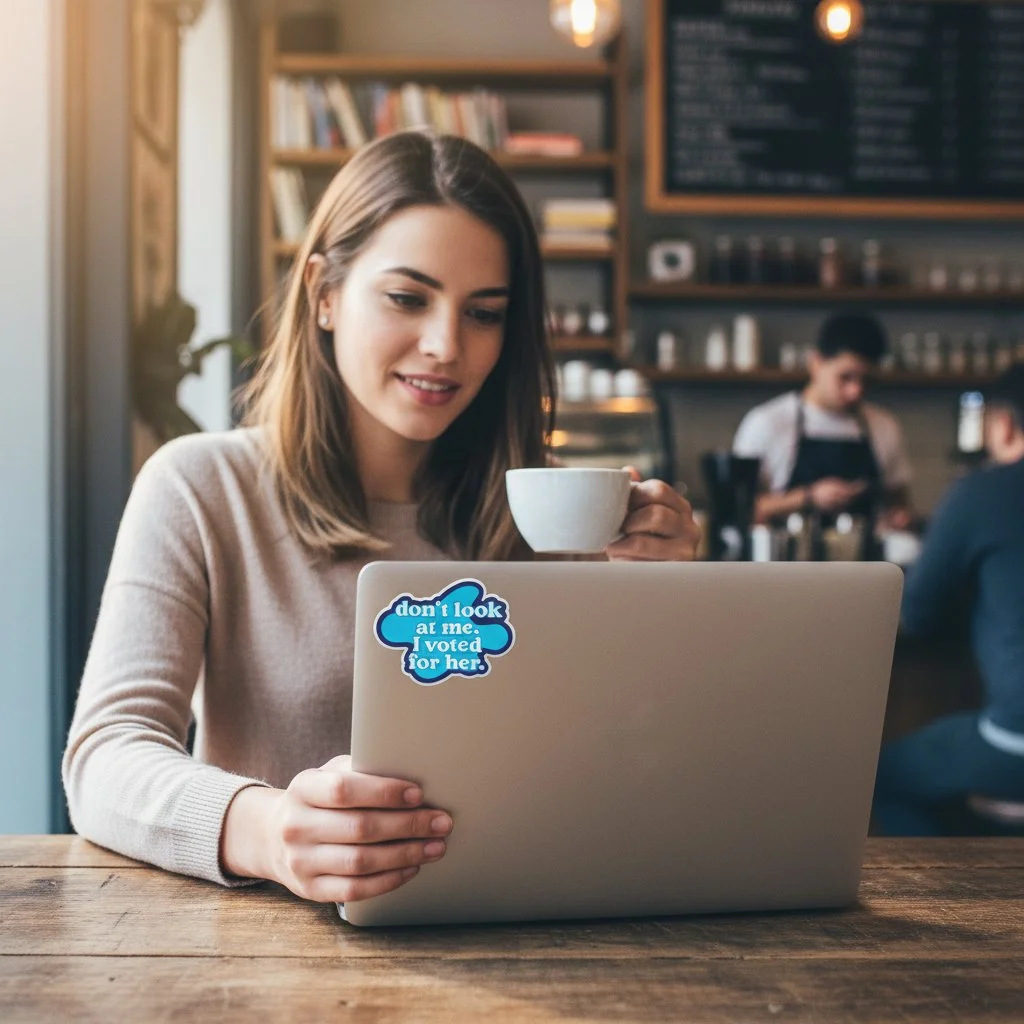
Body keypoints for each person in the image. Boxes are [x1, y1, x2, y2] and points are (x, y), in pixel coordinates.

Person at [62, 132, 700, 905]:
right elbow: (104, 757)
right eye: (407, 298)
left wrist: (665, 611)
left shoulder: (559, 519)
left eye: (485, 313)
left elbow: (637, 771)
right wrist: (266, 831)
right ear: (323, 293)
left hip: (531, 937)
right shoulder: (202, 488)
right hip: (265, 956)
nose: (445, 346)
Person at [873, 363, 1024, 835]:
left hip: (1014, 742)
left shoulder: (981, 491)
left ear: (1002, 424)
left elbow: (918, 612)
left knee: (877, 778)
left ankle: (955, 900)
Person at [732, 311, 913, 531]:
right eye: (845, 377)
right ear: (815, 363)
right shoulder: (766, 423)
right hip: (786, 562)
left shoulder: (884, 425)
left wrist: (899, 517)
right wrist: (808, 497)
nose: (856, 391)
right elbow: (739, 510)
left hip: (866, 564)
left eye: (867, 380)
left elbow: (898, 500)